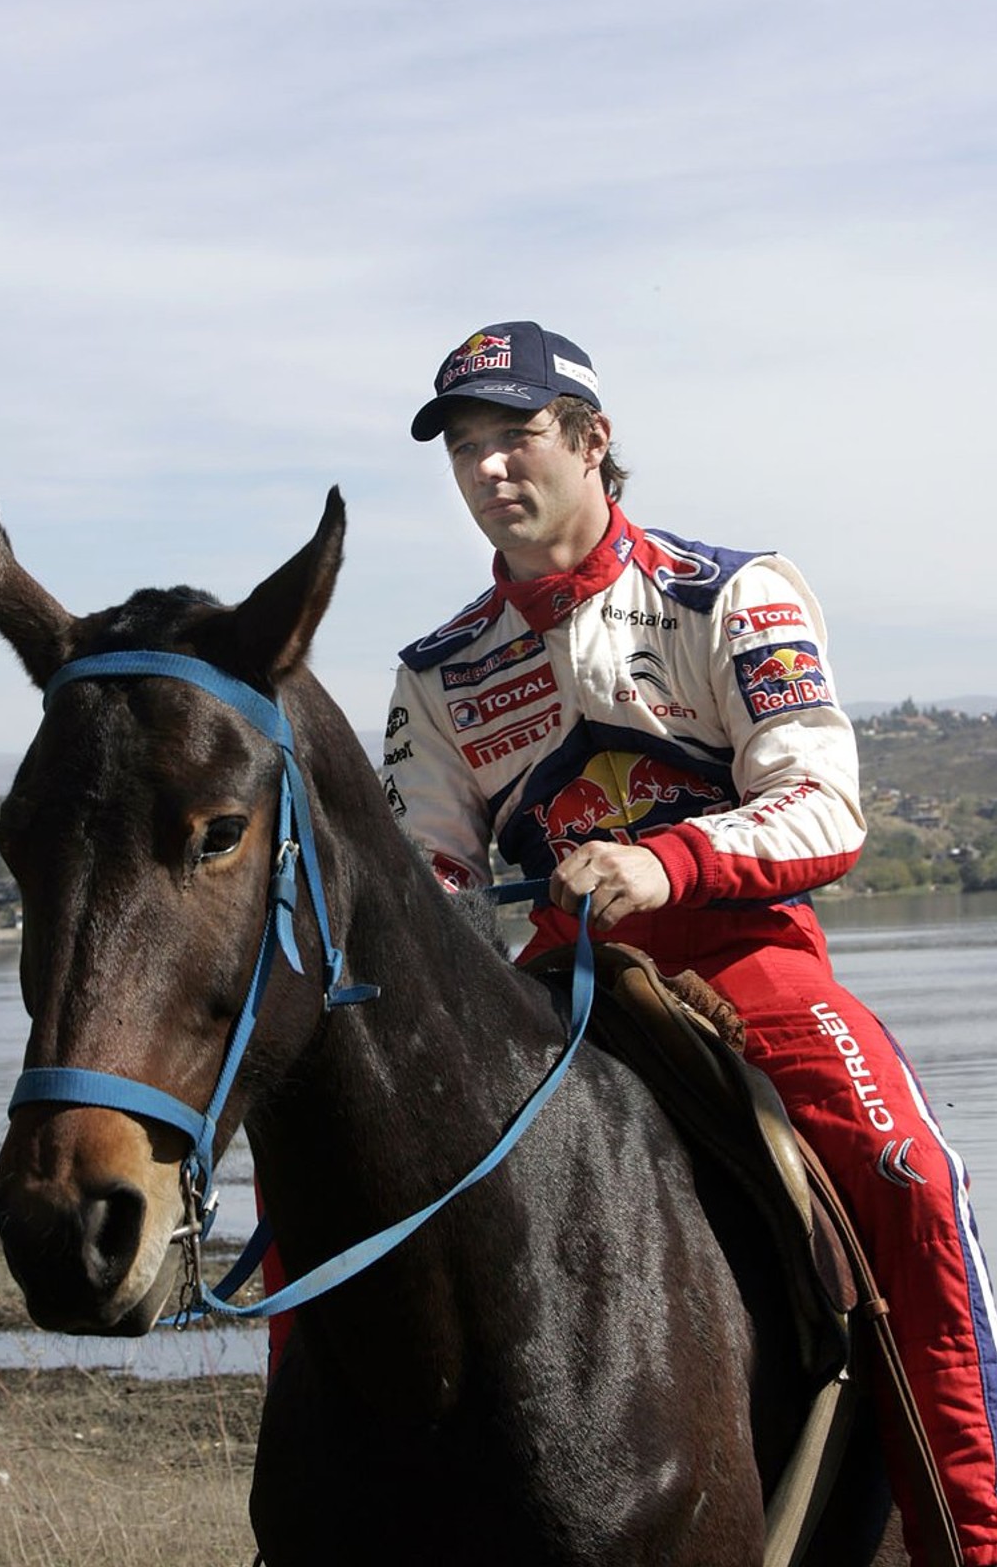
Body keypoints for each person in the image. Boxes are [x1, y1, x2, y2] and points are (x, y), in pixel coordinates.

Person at [380, 319, 997, 1565]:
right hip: (557, 984)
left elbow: (824, 802)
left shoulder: (728, 594)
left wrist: (663, 860)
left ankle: (971, 1541)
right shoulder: (438, 672)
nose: (491, 470)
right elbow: (428, 876)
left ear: (593, 441)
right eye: (465, 451)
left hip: (743, 959)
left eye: (518, 437)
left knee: (911, 1177)